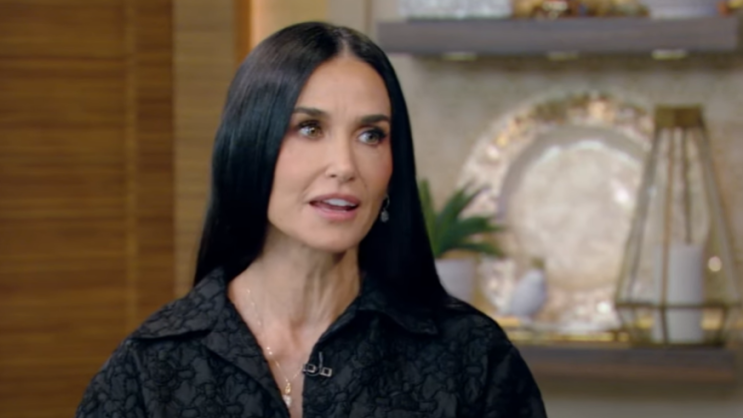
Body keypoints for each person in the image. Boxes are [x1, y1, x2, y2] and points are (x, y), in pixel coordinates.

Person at [75, 21, 548, 418]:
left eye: (370, 135)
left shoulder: (473, 357)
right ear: (251, 148)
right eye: (309, 128)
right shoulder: (150, 369)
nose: (344, 165)